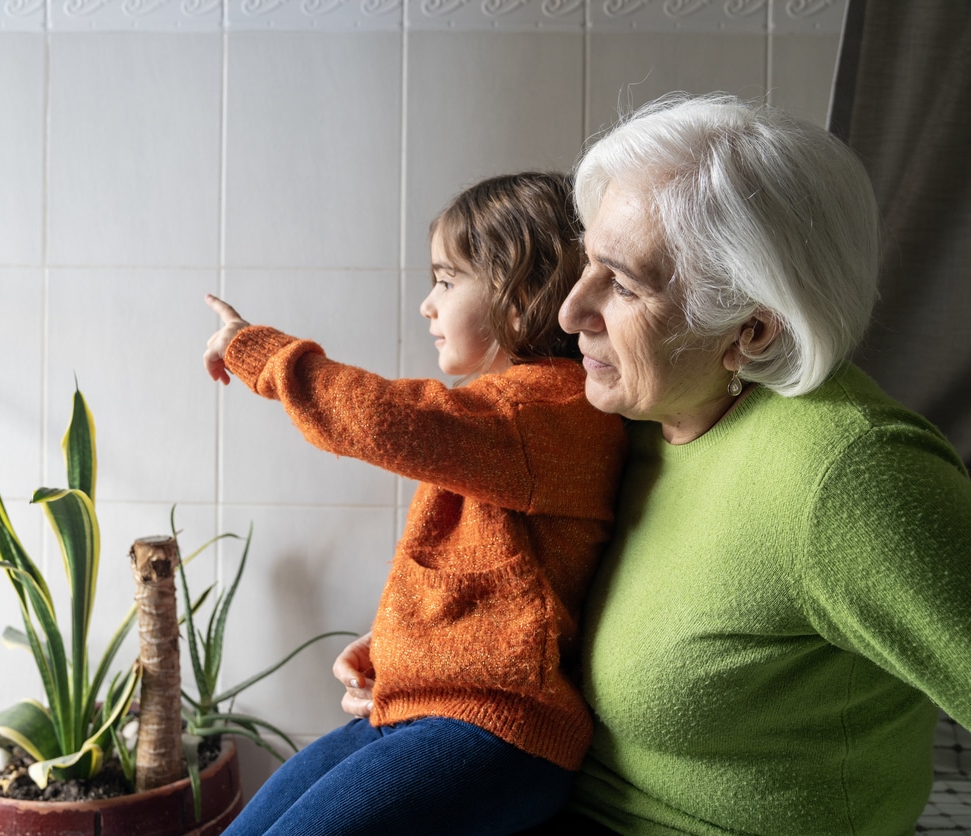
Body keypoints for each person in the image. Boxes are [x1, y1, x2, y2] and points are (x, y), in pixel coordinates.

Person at [336, 93, 971, 835]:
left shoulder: (853, 477)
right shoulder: (636, 416)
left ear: (753, 329)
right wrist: (432, 648)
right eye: (587, 265)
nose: (571, 311)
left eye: (625, 284)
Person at [202, 172, 629, 835]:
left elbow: (383, 419)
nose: (427, 305)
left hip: (497, 736)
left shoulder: (551, 411)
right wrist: (399, 647)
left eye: (446, 280)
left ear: (520, 296)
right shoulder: (509, 421)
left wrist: (256, 351)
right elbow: (498, 583)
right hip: (430, 714)